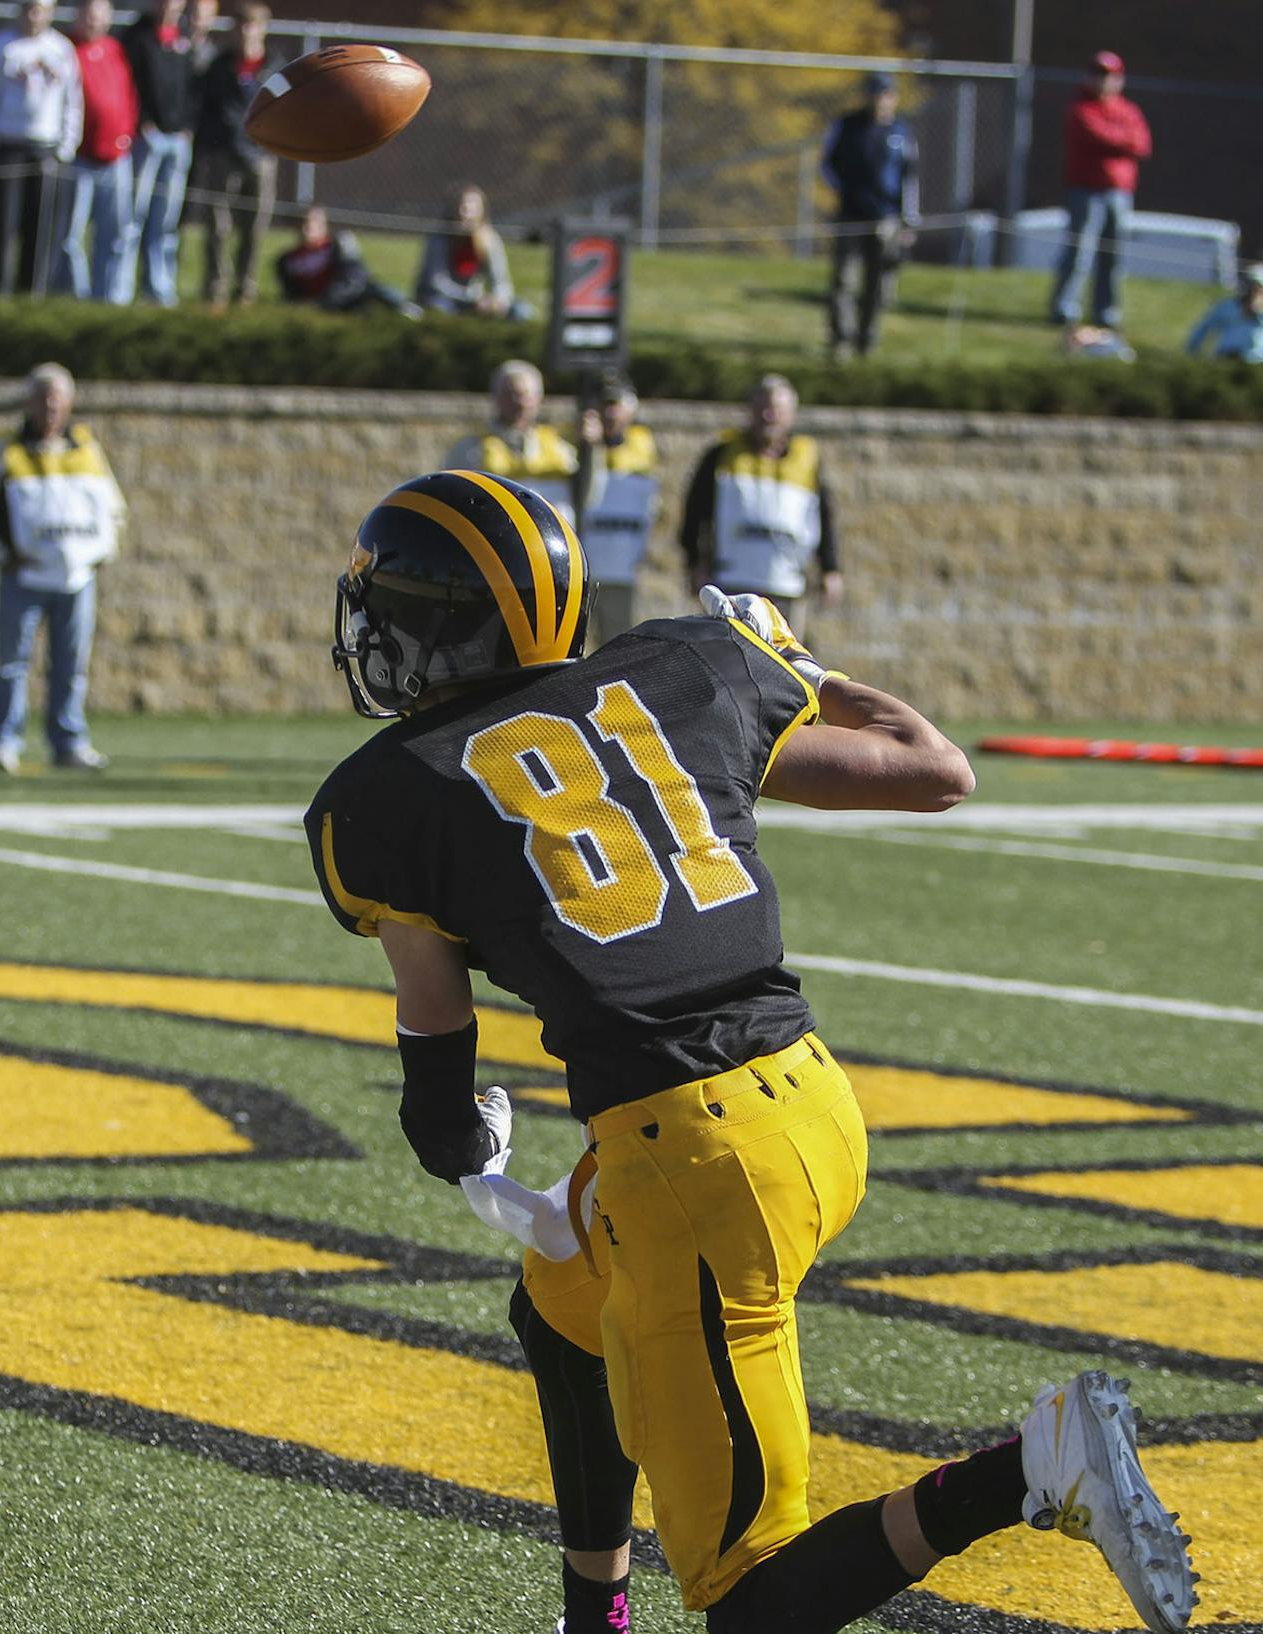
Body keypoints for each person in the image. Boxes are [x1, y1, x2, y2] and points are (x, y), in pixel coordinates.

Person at [309, 472, 1197, 1634]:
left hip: (693, 1171)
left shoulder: (385, 795)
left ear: (432, 626)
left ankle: (1034, 1461)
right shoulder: (685, 669)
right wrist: (799, 660)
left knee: (752, 1602)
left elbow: (437, 1045)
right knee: (561, 1306)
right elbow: (936, 765)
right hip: (809, 1109)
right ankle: (596, 1612)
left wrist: (463, 1138)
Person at [0, 363, 124, 774]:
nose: (50, 408)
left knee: (72, 666)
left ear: (70, 404)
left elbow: (112, 508)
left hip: (77, 578)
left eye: (57, 400)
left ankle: (68, 741)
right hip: (24, 576)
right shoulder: (7, 449)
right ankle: (4, 741)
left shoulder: (87, 448)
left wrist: (101, 552)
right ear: (29, 403)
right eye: (42, 400)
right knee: (12, 663)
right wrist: (3, 556)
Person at [679, 374, 839, 631]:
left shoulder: (807, 460)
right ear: (749, 411)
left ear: (790, 415)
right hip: (731, 583)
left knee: (786, 664)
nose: (768, 416)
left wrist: (830, 568)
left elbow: (822, 515)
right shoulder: (721, 456)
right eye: (762, 408)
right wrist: (694, 562)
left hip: (786, 584)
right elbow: (695, 512)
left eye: (776, 409)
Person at [0, 1, 82, 297]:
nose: (35, 15)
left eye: (41, 8)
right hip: (8, 146)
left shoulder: (62, 49)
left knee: (42, 230)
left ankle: (33, 293)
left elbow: (72, 101)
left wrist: (66, 147)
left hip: (47, 149)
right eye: (29, 7)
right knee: (1, 226)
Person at [1049, 51, 1151, 334]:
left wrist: (1117, 139)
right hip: (1085, 191)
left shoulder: (1128, 110)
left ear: (1120, 78)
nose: (1103, 81)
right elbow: (1095, 135)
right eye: (1099, 74)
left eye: (1110, 75)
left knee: (1114, 255)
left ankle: (1106, 313)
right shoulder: (1080, 109)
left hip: (1119, 192)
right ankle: (1065, 308)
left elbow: (1141, 143)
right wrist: (1121, 139)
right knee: (1079, 251)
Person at [820, 72, 918, 360]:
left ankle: (868, 339)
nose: (880, 100)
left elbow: (909, 177)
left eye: (886, 94)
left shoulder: (901, 132)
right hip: (851, 214)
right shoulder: (848, 126)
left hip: (885, 217)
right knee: (844, 280)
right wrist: (847, 192)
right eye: (875, 93)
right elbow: (827, 166)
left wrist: (907, 219)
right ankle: (841, 340)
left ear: (894, 98)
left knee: (879, 284)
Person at [122, 0, 211, 308]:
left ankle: (159, 289)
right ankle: (120, 289)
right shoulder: (136, 36)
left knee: (166, 221)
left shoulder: (183, 39)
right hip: (147, 139)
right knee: (133, 216)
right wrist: (143, 121)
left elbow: (192, 89)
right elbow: (129, 84)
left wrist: (187, 126)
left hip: (177, 140)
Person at [193, 2, 277, 310]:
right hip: (223, 155)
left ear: (263, 29)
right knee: (218, 227)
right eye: (240, 26)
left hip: (261, 156)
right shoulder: (218, 67)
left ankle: (245, 290)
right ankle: (214, 288)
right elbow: (209, 112)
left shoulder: (274, 68)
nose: (246, 33)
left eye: (252, 25)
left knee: (254, 228)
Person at [55, 0, 138, 304]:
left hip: (117, 157)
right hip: (81, 156)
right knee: (71, 236)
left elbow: (127, 95)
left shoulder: (115, 49)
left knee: (117, 233)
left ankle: (112, 296)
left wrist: (126, 133)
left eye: (100, 16)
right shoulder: (67, 51)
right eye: (89, 15)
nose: (94, 21)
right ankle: (76, 295)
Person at [444, 361, 595, 522]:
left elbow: (588, 497)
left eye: (526, 394)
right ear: (496, 397)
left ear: (539, 398)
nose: (520, 402)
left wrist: (591, 448)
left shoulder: (559, 446)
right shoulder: (470, 448)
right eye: (511, 394)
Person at [571, 374, 659, 646]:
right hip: (580, 570)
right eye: (603, 405)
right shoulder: (571, 445)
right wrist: (587, 446)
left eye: (616, 404)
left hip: (621, 569)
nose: (610, 413)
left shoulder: (641, 445)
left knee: (617, 645)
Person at [415, 185, 531, 319]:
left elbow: (501, 280)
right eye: (462, 207)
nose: (465, 213)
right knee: (439, 309)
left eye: (472, 208)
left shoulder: (490, 239)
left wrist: (498, 300)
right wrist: (473, 298)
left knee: (521, 310)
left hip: (476, 301)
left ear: (481, 211)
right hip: (442, 298)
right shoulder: (439, 237)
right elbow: (437, 282)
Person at [275, 206, 415, 315]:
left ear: (323, 225)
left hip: (347, 300)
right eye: (300, 224)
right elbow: (290, 295)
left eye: (310, 224)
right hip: (315, 306)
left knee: (377, 289)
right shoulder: (287, 260)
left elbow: (354, 278)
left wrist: (326, 301)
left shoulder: (338, 244)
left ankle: (412, 311)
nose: (305, 229)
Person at [1185, 263, 1263, 364]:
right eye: (1253, 289)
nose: (1255, 294)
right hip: (1225, 359)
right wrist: (1192, 352)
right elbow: (1204, 327)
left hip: (1255, 365)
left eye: (1259, 290)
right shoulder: (1227, 307)